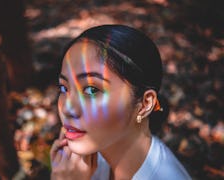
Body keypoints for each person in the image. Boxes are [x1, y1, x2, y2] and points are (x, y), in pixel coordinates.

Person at [50, 24, 191, 180]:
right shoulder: (81, 160)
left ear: (145, 104)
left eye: (91, 90)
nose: (67, 108)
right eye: (64, 88)